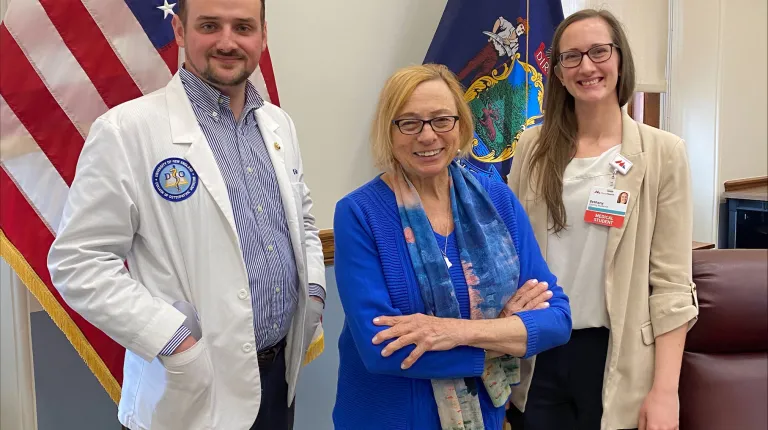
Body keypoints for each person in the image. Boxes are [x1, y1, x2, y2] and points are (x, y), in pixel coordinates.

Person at [46, 0, 325, 429]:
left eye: (243, 27)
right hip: (192, 389)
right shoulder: (126, 131)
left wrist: (315, 292)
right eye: (210, 26)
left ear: (263, 36)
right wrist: (173, 340)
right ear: (179, 31)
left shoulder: (277, 124)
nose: (227, 42)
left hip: (276, 381)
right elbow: (77, 262)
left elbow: (302, 221)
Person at [332, 63, 572, 430]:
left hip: (485, 417)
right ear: (388, 130)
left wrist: (453, 332)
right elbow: (381, 349)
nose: (428, 136)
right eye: (409, 122)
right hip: (389, 418)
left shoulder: (496, 199)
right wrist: (503, 335)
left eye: (442, 120)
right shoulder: (360, 213)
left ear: (461, 125)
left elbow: (556, 318)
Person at [506, 9, 698, 430]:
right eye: (571, 57)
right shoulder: (532, 147)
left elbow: (671, 284)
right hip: (539, 350)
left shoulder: (663, 152)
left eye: (599, 52)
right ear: (557, 72)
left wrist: (666, 392)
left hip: (617, 356)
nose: (587, 66)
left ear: (620, 60)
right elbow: (511, 253)